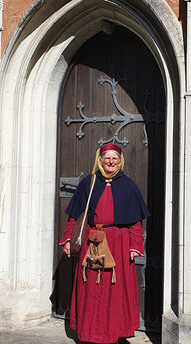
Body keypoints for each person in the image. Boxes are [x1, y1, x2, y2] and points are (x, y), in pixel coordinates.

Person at [59, 143, 149, 344]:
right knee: (90, 288)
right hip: (92, 240)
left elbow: (135, 221)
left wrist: (135, 246)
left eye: (115, 159)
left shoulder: (129, 186)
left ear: (120, 161)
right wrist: (68, 239)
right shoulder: (88, 183)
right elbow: (75, 216)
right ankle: (90, 333)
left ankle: (113, 332)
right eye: (107, 158)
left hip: (118, 243)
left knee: (115, 290)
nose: (111, 162)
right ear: (100, 161)